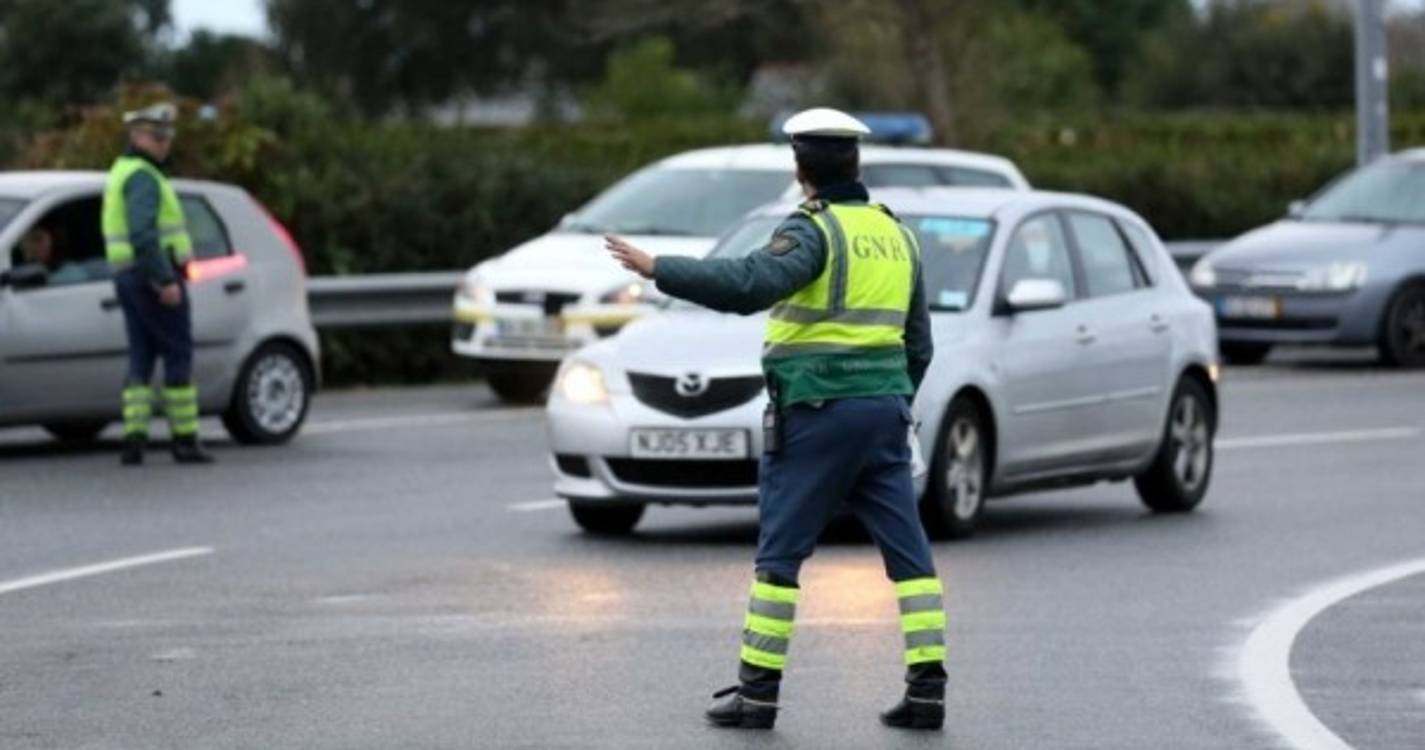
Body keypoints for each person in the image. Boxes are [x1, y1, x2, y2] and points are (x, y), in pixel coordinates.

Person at [606, 108, 947, 731]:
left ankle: (757, 694)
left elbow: (750, 283)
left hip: (817, 411)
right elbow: (919, 343)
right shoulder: (897, 234)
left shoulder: (813, 230)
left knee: (781, 553)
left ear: (799, 169)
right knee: (909, 552)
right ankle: (927, 690)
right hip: (884, 413)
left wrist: (659, 269)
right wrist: (896, 401)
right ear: (856, 164)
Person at [102, 102, 213, 466]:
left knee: (142, 355)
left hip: (127, 276)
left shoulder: (122, 171)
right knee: (177, 352)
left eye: (167, 137)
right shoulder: (144, 178)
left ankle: (134, 439)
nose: (164, 144)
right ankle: (184, 439)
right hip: (151, 275)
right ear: (136, 136)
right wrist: (165, 279)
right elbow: (143, 234)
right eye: (156, 137)